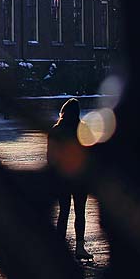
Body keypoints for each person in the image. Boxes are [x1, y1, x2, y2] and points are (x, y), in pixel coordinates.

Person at [47, 97, 93, 261]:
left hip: (62, 178)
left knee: (63, 213)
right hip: (79, 178)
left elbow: (51, 157)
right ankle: (80, 247)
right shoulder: (84, 129)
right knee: (80, 213)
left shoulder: (56, 130)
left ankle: (60, 248)